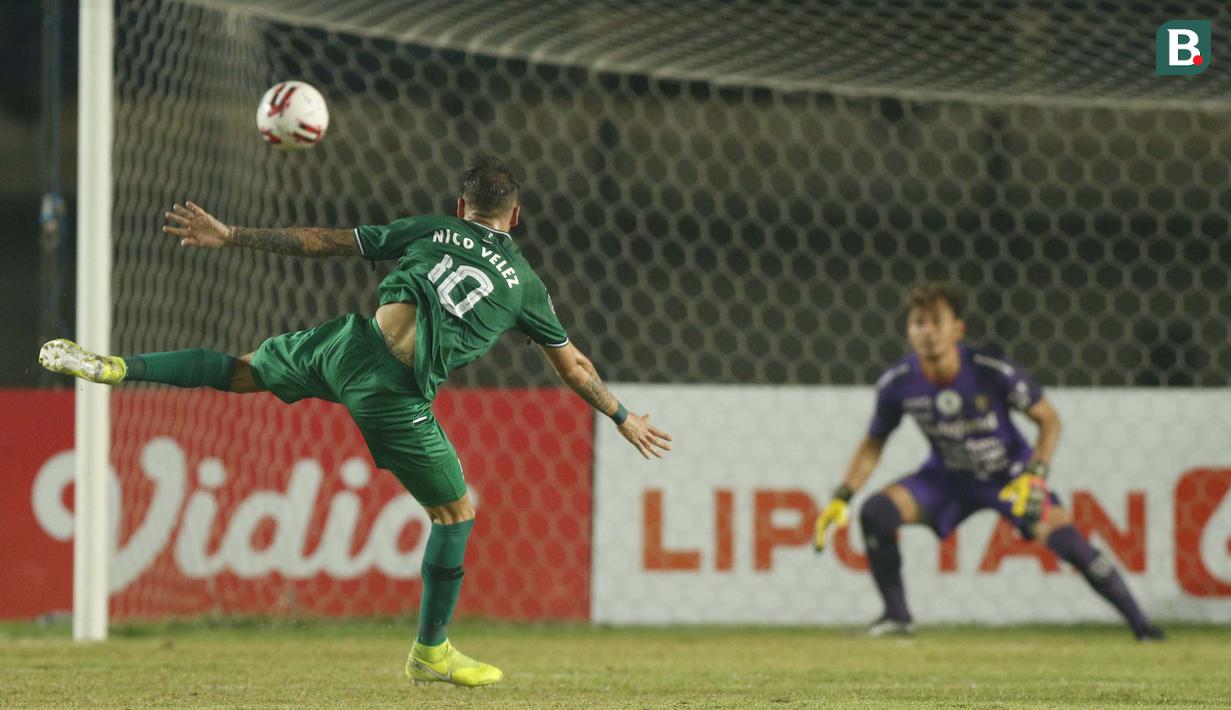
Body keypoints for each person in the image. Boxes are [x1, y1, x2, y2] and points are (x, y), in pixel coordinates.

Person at [39, 154, 673, 686]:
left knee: (240, 369)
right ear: (516, 216)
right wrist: (620, 417)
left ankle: (120, 367)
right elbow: (574, 365)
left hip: (347, 345)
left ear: (460, 207)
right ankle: (430, 653)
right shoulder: (525, 284)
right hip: (395, 394)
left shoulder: (428, 227)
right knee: (455, 515)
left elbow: (327, 242)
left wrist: (232, 235)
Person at [813, 281, 1161, 640]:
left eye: (936, 321)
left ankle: (1143, 627)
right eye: (918, 322)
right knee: (876, 513)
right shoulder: (898, 382)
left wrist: (1036, 474)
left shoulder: (990, 369)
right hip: (946, 479)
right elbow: (873, 443)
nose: (928, 332)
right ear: (908, 330)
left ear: (958, 329)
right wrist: (843, 495)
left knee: (1068, 542)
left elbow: (1049, 420)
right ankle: (897, 618)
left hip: (1010, 478)